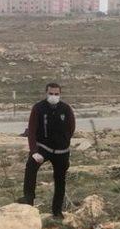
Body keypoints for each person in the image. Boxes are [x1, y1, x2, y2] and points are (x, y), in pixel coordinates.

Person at [18, 82, 76, 218]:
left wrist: (64, 141)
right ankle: (28, 198)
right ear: (46, 93)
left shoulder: (66, 109)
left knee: (60, 180)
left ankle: (57, 211)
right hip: (43, 148)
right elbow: (31, 131)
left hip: (62, 151)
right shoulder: (38, 108)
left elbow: (71, 127)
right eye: (51, 93)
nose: (54, 96)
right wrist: (34, 151)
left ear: (60, 94)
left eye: (56, 94)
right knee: (31, 167)